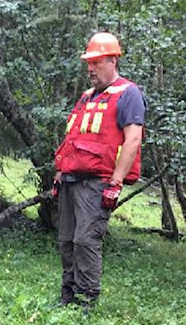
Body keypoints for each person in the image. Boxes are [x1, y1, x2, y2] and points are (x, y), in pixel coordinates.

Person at [52, 32, 145, 309]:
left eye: (97, 62)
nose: (91, 68)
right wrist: (59, 174)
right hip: (71, 179)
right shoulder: (86, 98)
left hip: (97, 182)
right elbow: (73, 140)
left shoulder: (128, 94)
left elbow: (133, 139)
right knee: (66, 239)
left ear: (113, 61)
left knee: (85, 240)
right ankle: (67, 295)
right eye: (89, 63)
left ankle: (86, 299)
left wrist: (116, 182)